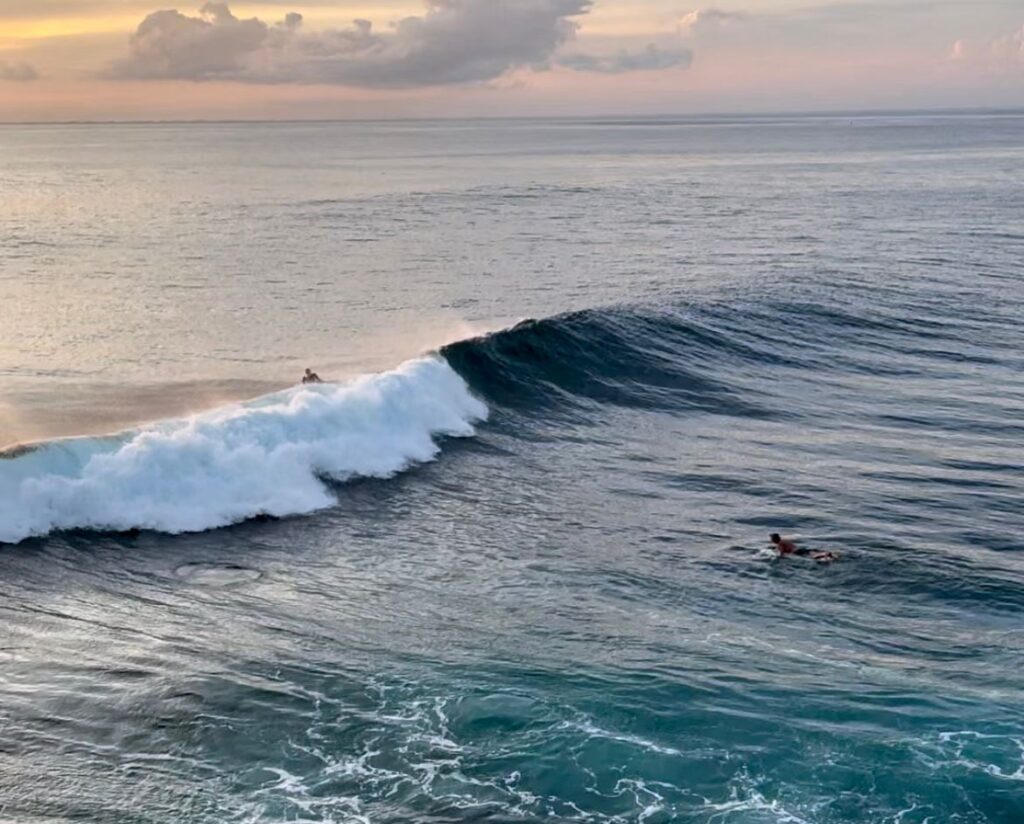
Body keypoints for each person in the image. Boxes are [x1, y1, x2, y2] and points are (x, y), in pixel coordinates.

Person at [769, 533, 838, 562]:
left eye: (771, 538)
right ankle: (825, 553)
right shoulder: (784, 540)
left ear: (774, 539)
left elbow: (782, 553)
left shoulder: (780, 544)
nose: (771, 540)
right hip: (799, 549)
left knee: (812, 557)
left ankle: (824, 554)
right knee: (811, 553)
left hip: (796, 552)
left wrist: (778, 558)